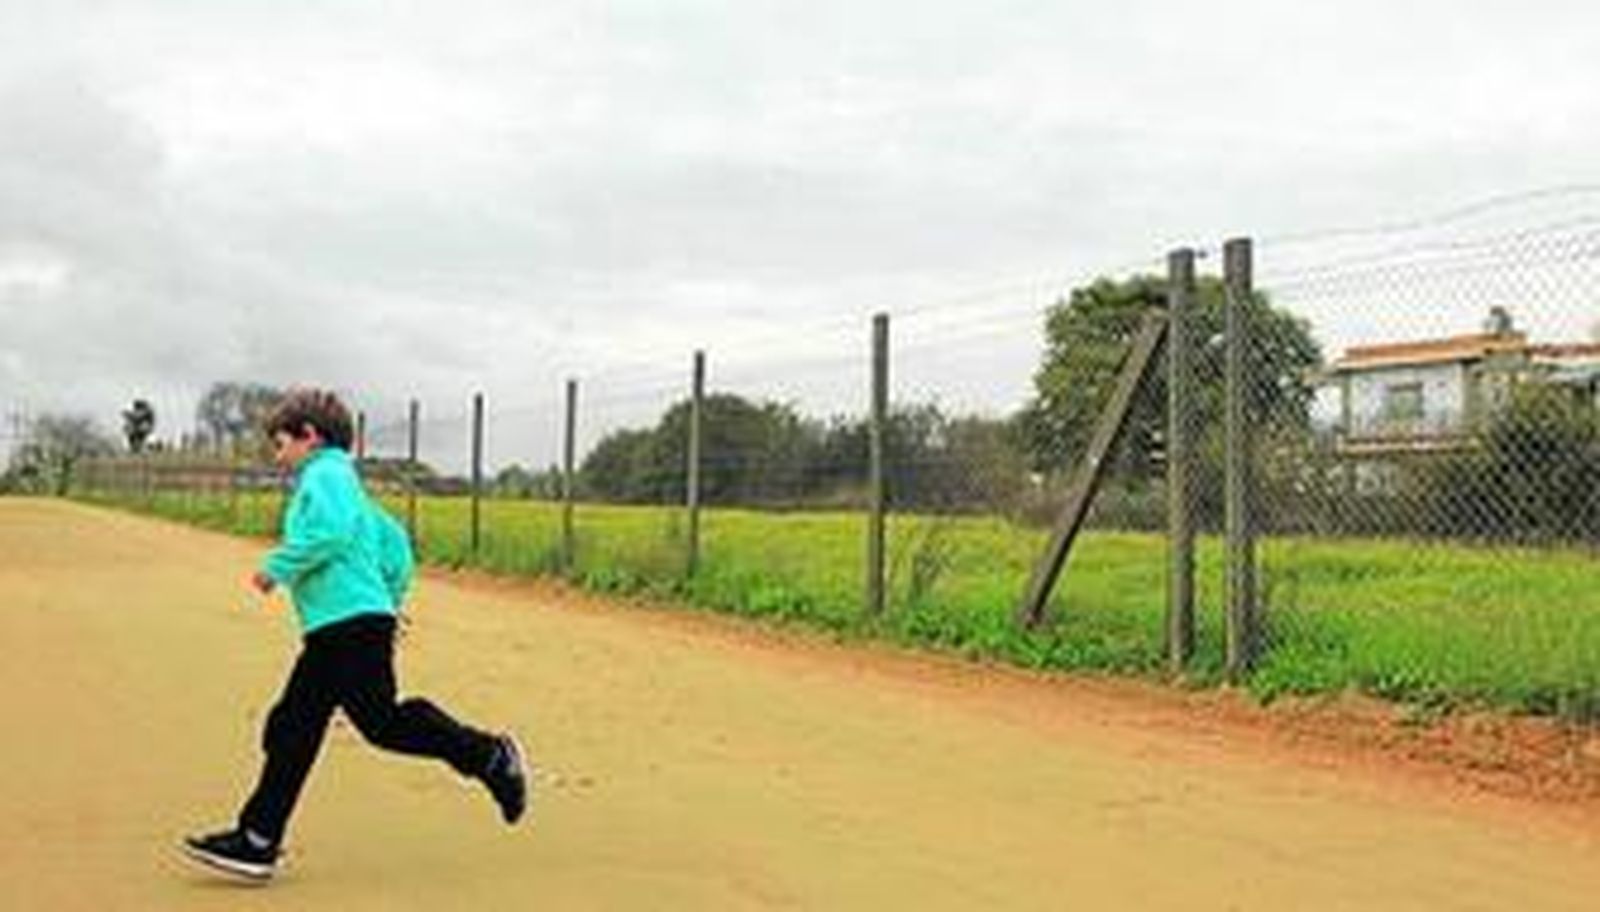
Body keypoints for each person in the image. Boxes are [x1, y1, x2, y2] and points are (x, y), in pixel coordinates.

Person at [182, 388, 526, 882]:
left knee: (380, 722)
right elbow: (397, 547)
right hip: (346, 625)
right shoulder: (347, 484)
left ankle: (491, 756)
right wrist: (387, 601)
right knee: (293, 726)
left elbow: (332, 533)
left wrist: (276, 567)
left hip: (348, 626)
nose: (279, 457)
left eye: (281, 445)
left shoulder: (324, 475)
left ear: (309, 436)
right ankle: (257, 839)